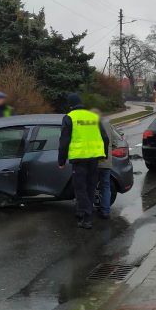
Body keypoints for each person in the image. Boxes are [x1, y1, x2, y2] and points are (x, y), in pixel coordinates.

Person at [58, 93, 109, 229]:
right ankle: (82, 213)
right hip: (94, 159)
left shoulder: (69, 118)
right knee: (90, 188)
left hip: (79, 160)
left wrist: (61, 161)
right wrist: (104, 154)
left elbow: (64, 142)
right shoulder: (93, 117)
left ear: (70, 105)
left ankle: (87, 218)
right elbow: (105, 138)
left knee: (80, 189)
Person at [91, 108, 115, 219]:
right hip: (106, 161)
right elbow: (114, 141)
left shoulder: (89, 125)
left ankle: (89, 210)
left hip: (93, 161)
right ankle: (105, 211)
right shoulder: (108, 125)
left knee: (91, 186)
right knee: (106, 186)